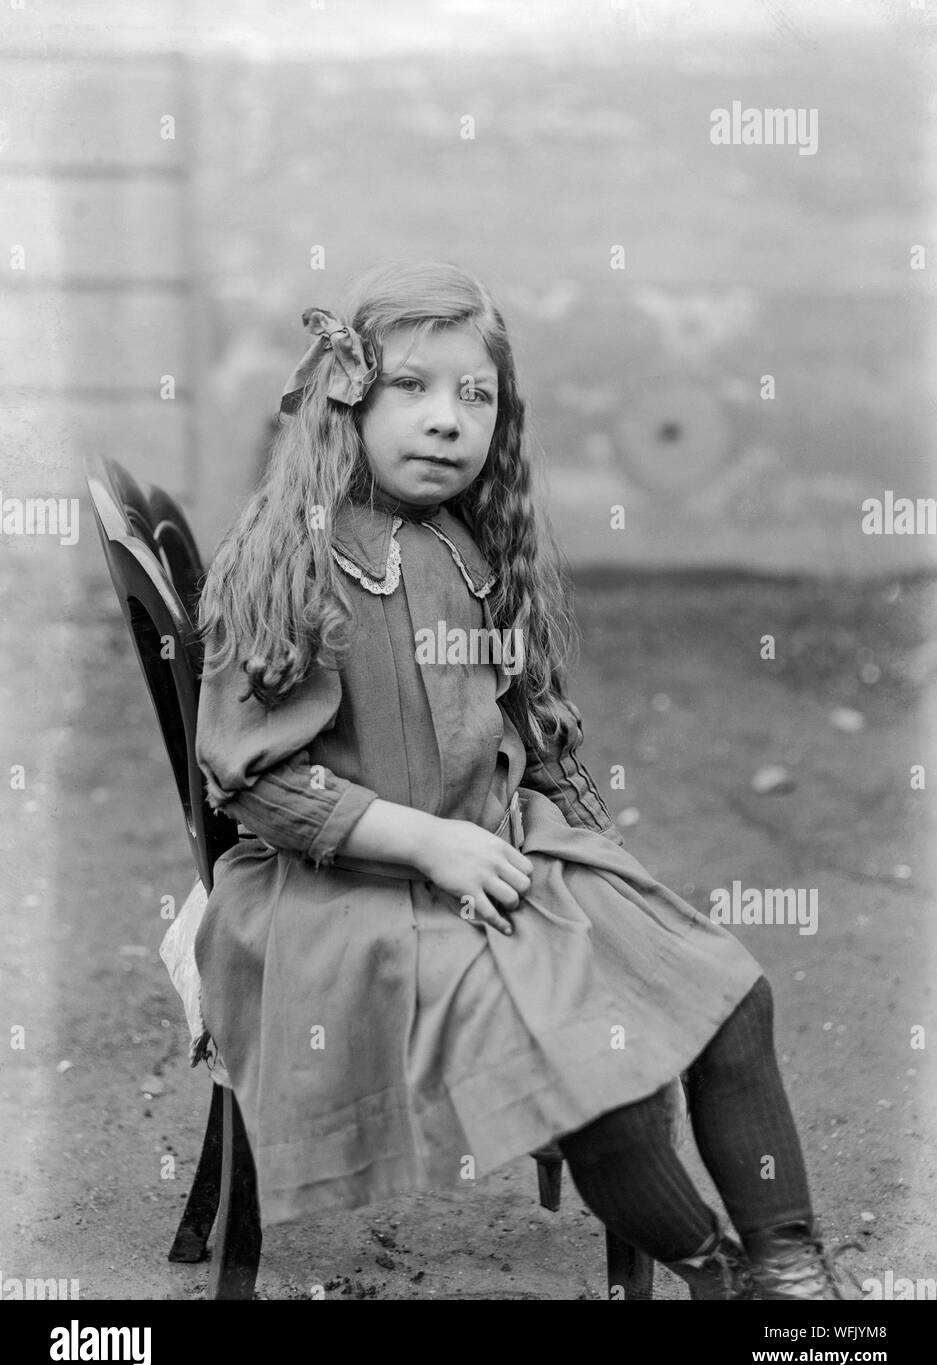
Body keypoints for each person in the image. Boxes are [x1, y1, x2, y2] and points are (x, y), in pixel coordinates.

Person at [194, 260, 863, 1300]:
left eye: (476, 396)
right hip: (346, 890)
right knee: (594, 1062)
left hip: (495, 843)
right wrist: (426, 841)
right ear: (346, 399)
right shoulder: (291, 556)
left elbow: (535, 734)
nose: (446, 421)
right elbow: (255, 785)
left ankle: (789, 1265)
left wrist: (609, 868)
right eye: (412, 387)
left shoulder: (472, 543)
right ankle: (717, 1274)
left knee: (726, 988)